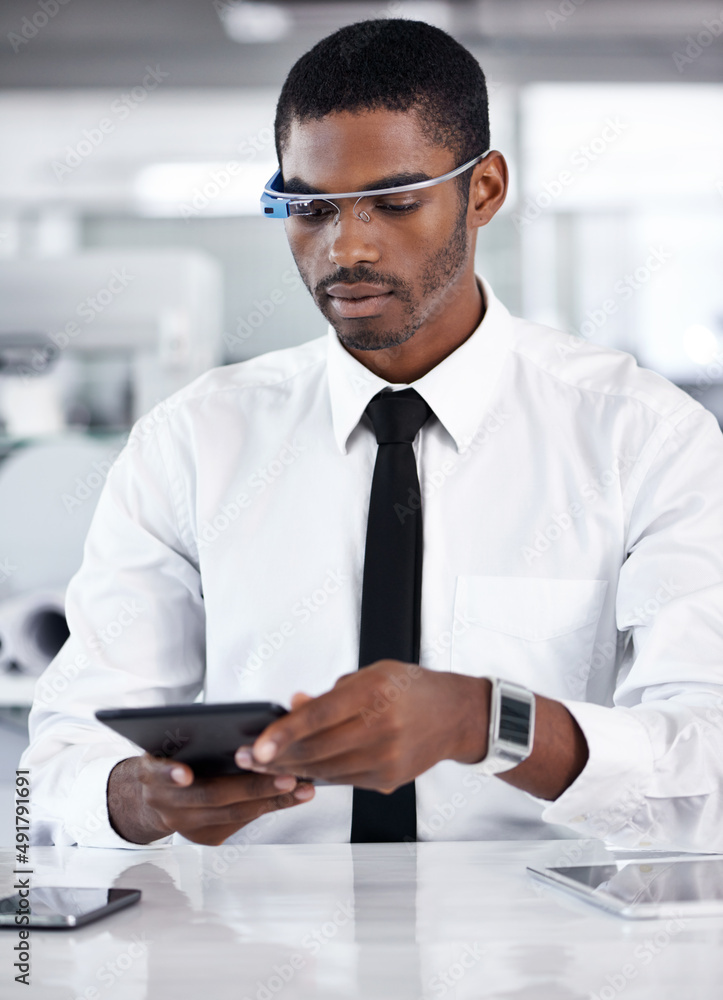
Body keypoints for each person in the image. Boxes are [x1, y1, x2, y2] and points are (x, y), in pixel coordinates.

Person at [23, 19, 723, 852]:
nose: (344, 246)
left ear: (485, 190)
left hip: (546, 965)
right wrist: (134, 799)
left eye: (393, 203)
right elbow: (53, 767)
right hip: (250, 962)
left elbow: (705, 768)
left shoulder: (642, 437)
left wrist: (483, 719)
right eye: (308, 207)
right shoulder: (191, 444)